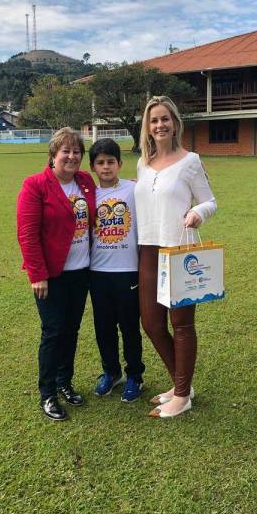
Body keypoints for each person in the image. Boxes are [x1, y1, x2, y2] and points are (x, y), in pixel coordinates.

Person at [134, 96, 217, 419]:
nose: (160, 125)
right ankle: (182, 383)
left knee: (181, 324)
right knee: (151, 324)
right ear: (147, 127)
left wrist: (197, 213)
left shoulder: (190, 161)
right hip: (148, 249)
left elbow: (210, 201)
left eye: (165, 119)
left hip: (179, 249)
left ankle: (182, 395)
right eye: (154, 120)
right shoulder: (143, 164)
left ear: (175, 123)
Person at [16, 127, 96, 421]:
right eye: (66, 151)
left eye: (77, 152)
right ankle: (48, 393)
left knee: (71, 330)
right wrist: (37, 274)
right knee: (53, 332)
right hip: (50, 275)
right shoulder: (35, 185)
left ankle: (65, 382)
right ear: (53, 155)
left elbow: (108, 192)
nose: (72, 156)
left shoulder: (84, 182)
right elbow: (27, 233)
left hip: (81, 271)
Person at [88, 138, 144, 402]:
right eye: (100, 162)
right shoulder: (88, 196)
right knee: (104, 327)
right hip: (98, 271)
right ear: (93, 167)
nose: (106, 167)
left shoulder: (133, 190)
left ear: (120, 164)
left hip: (128, 270)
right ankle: (111, 372)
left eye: (111, 161)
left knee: (130, 326)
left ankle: (135, 375)